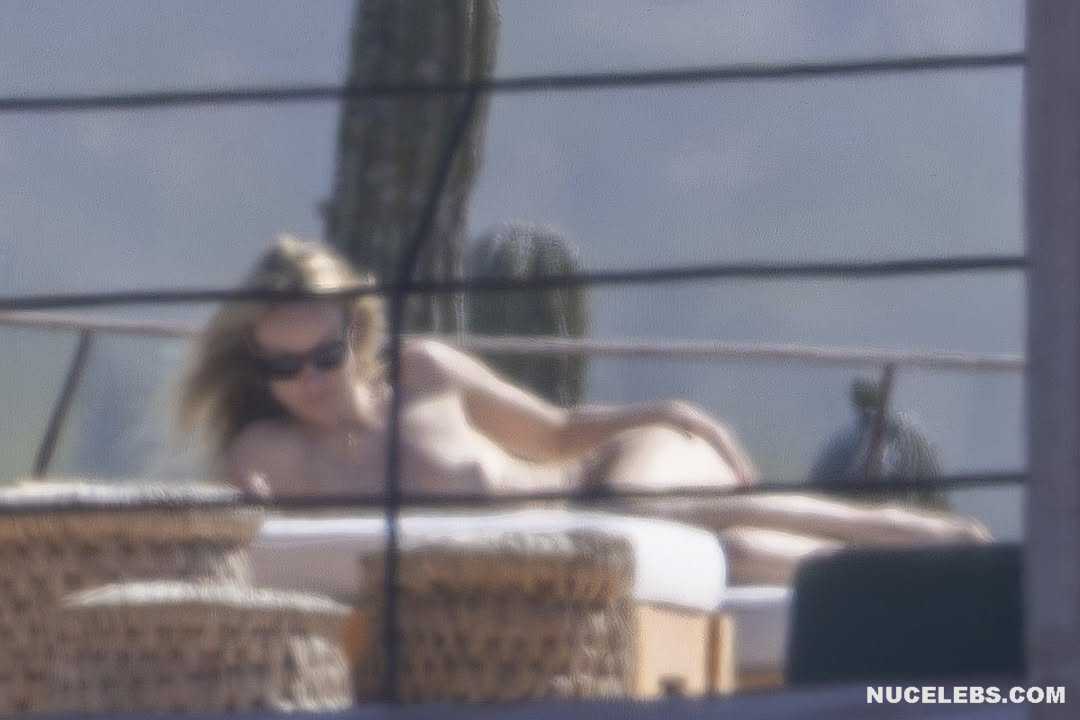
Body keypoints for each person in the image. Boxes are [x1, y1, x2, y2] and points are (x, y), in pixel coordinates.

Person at [177, 236, 989, 584]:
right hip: (580, 552)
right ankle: (925, 574)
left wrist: (668, 411)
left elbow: (558, 432)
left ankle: (925, 535)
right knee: (738, 553)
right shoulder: (268, 448)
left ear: (355, 333)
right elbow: (236, 526)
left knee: (634, 507)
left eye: (322, 355)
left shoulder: (423, 373)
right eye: (283, 366)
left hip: (606, 478)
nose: (310, 380)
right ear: (257, 367)